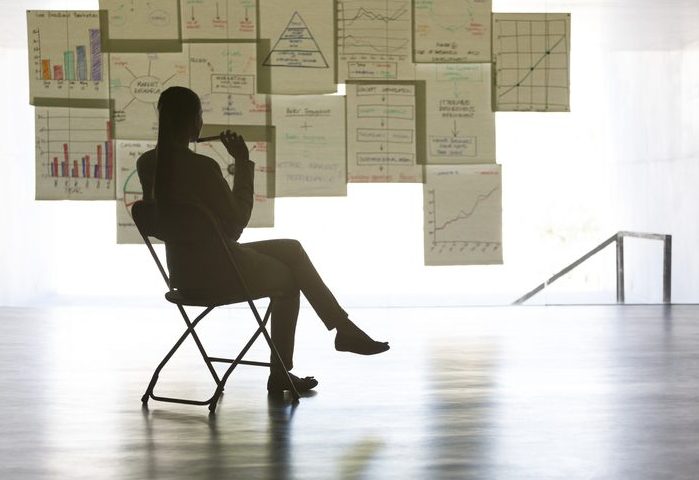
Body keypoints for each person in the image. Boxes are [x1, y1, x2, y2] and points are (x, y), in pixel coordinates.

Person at [137, 86, 389, 395]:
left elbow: (212, 228)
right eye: (200, 116)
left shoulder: (148, 164)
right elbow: (238, 220)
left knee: (291, 249)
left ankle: (342, 330)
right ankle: (297, 361)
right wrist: (242, 161)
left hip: (183, 274)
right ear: (192, 121)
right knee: (289, 277)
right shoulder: (203, 167)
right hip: (218, 272)